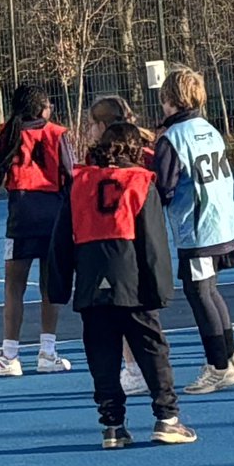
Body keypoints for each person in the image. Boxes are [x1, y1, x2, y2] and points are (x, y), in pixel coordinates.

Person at [47, 121, 197, 447]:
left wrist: (57, 288)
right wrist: (160, 289)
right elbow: (153, 243)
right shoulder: (141, 183)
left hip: (90, 280)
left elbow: (60, 242)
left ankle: (113, 425)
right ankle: (167, 418)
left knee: (102, 353)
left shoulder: (79, 184)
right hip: (132, 280)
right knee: (152, 349)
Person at [154, 67, 234, 394]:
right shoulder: (208, 128)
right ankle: (231, 355)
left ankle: (217, 366)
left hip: (198, 229)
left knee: (199, 294)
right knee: (211, 291)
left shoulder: (172, 139)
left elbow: (164, 187)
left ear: (169, 100)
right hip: (223, 222)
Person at [0, 84, 75, 376]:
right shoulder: (58, 134)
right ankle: (48, 353)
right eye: (49, 104)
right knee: (49, 287)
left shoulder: (9, 134)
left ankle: (10, 355)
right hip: (54, 219)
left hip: (22, 219)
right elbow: (72, 177)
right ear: (41, 109)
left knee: (13, 287)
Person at [87, 95, 155, 396]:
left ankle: (134, 369)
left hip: (113, 241)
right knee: (141, 311)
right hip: (144, 237)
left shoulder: (99, 162)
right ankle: (143, 368)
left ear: (102, 126)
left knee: (120, 310)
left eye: (91, 125)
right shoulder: (146, 150)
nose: (89, 132)